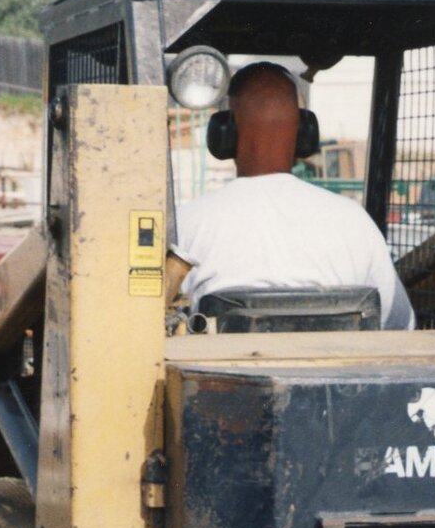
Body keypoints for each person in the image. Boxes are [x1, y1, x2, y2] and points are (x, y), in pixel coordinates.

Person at [166, 62, 415, 329]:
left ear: (224, 132)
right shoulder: (356, 223)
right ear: (305, 133)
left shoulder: (185, 225)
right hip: (334, 371)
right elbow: (399, 324)